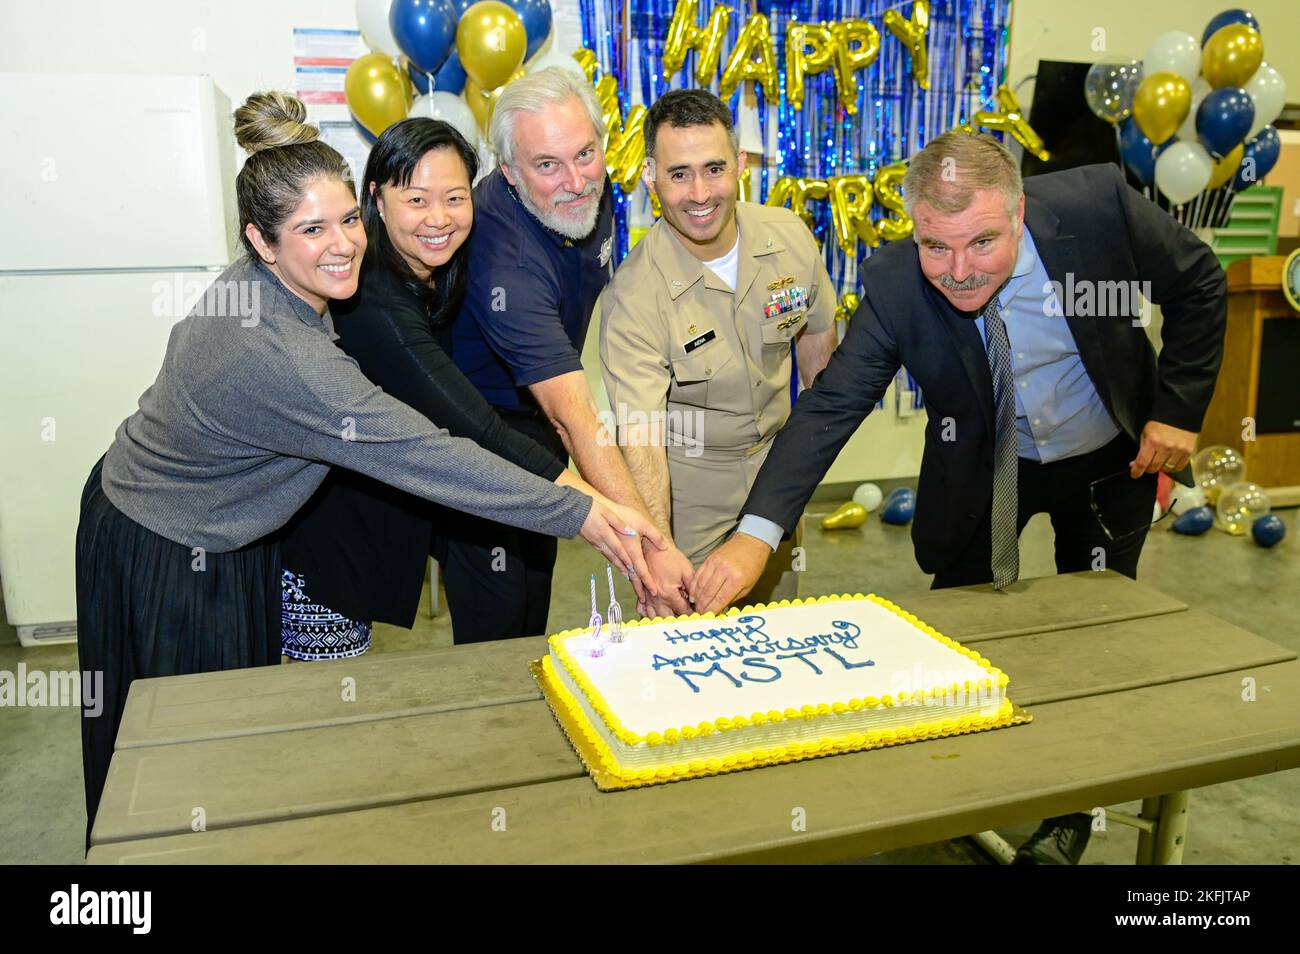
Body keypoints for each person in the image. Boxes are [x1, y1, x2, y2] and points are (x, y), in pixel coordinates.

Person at [76, 91, 664, 845]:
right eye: (311, 229)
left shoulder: (283, 285)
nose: (344, 244)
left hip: (203, 520)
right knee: (175, 768)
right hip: (163, 539)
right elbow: (431, 455)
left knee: (227, 754)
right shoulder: (289, 358)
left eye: (347, 219)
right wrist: (587, 514)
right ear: (260, 240)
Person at [691, 130, 1227, 863]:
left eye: (981, 243)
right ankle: (958, 790)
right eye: (935, 246)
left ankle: (1070, 810)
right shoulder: (894, 282)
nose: (959, 271)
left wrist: (1178, 410)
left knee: (1094, 637)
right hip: (985, 464)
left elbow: (1198, 282)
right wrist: (756, 533)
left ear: (1019, 212)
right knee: (953, 628)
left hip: (1107, 455)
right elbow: (831, 406)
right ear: (914, 225)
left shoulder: (1099, 207)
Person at [278, 117, 606, 653]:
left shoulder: (445, 268)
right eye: (416, 200)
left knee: (516, 628)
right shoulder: (373, 299)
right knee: (326, 707)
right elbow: (469, 425)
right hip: (327, 535)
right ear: (376, 201)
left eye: (455, 197)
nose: (439, 218)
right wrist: (592, 504)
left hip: (411, 494)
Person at [449, 68, 696, 636]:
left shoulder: (590, 187)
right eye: (547, 165)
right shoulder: (504, 259)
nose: (576, 181)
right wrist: (651, 555)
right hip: (473, 438)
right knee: (498, 622)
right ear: (509, 172)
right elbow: (575, 418)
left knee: (534, 595)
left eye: (585, 154)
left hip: (534, 419)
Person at [599, 89, 837, 603]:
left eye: (714, 168)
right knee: (690, 639)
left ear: (741, 164)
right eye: (679, 174)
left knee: (783, 628)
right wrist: (657, 549)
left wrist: (802, 465)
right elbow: (640, 437)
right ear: (650, 177)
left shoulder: (789, 237)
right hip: (690, 495)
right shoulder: (634, 295)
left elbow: (818, 340)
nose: (700, 193)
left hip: (778, 478)